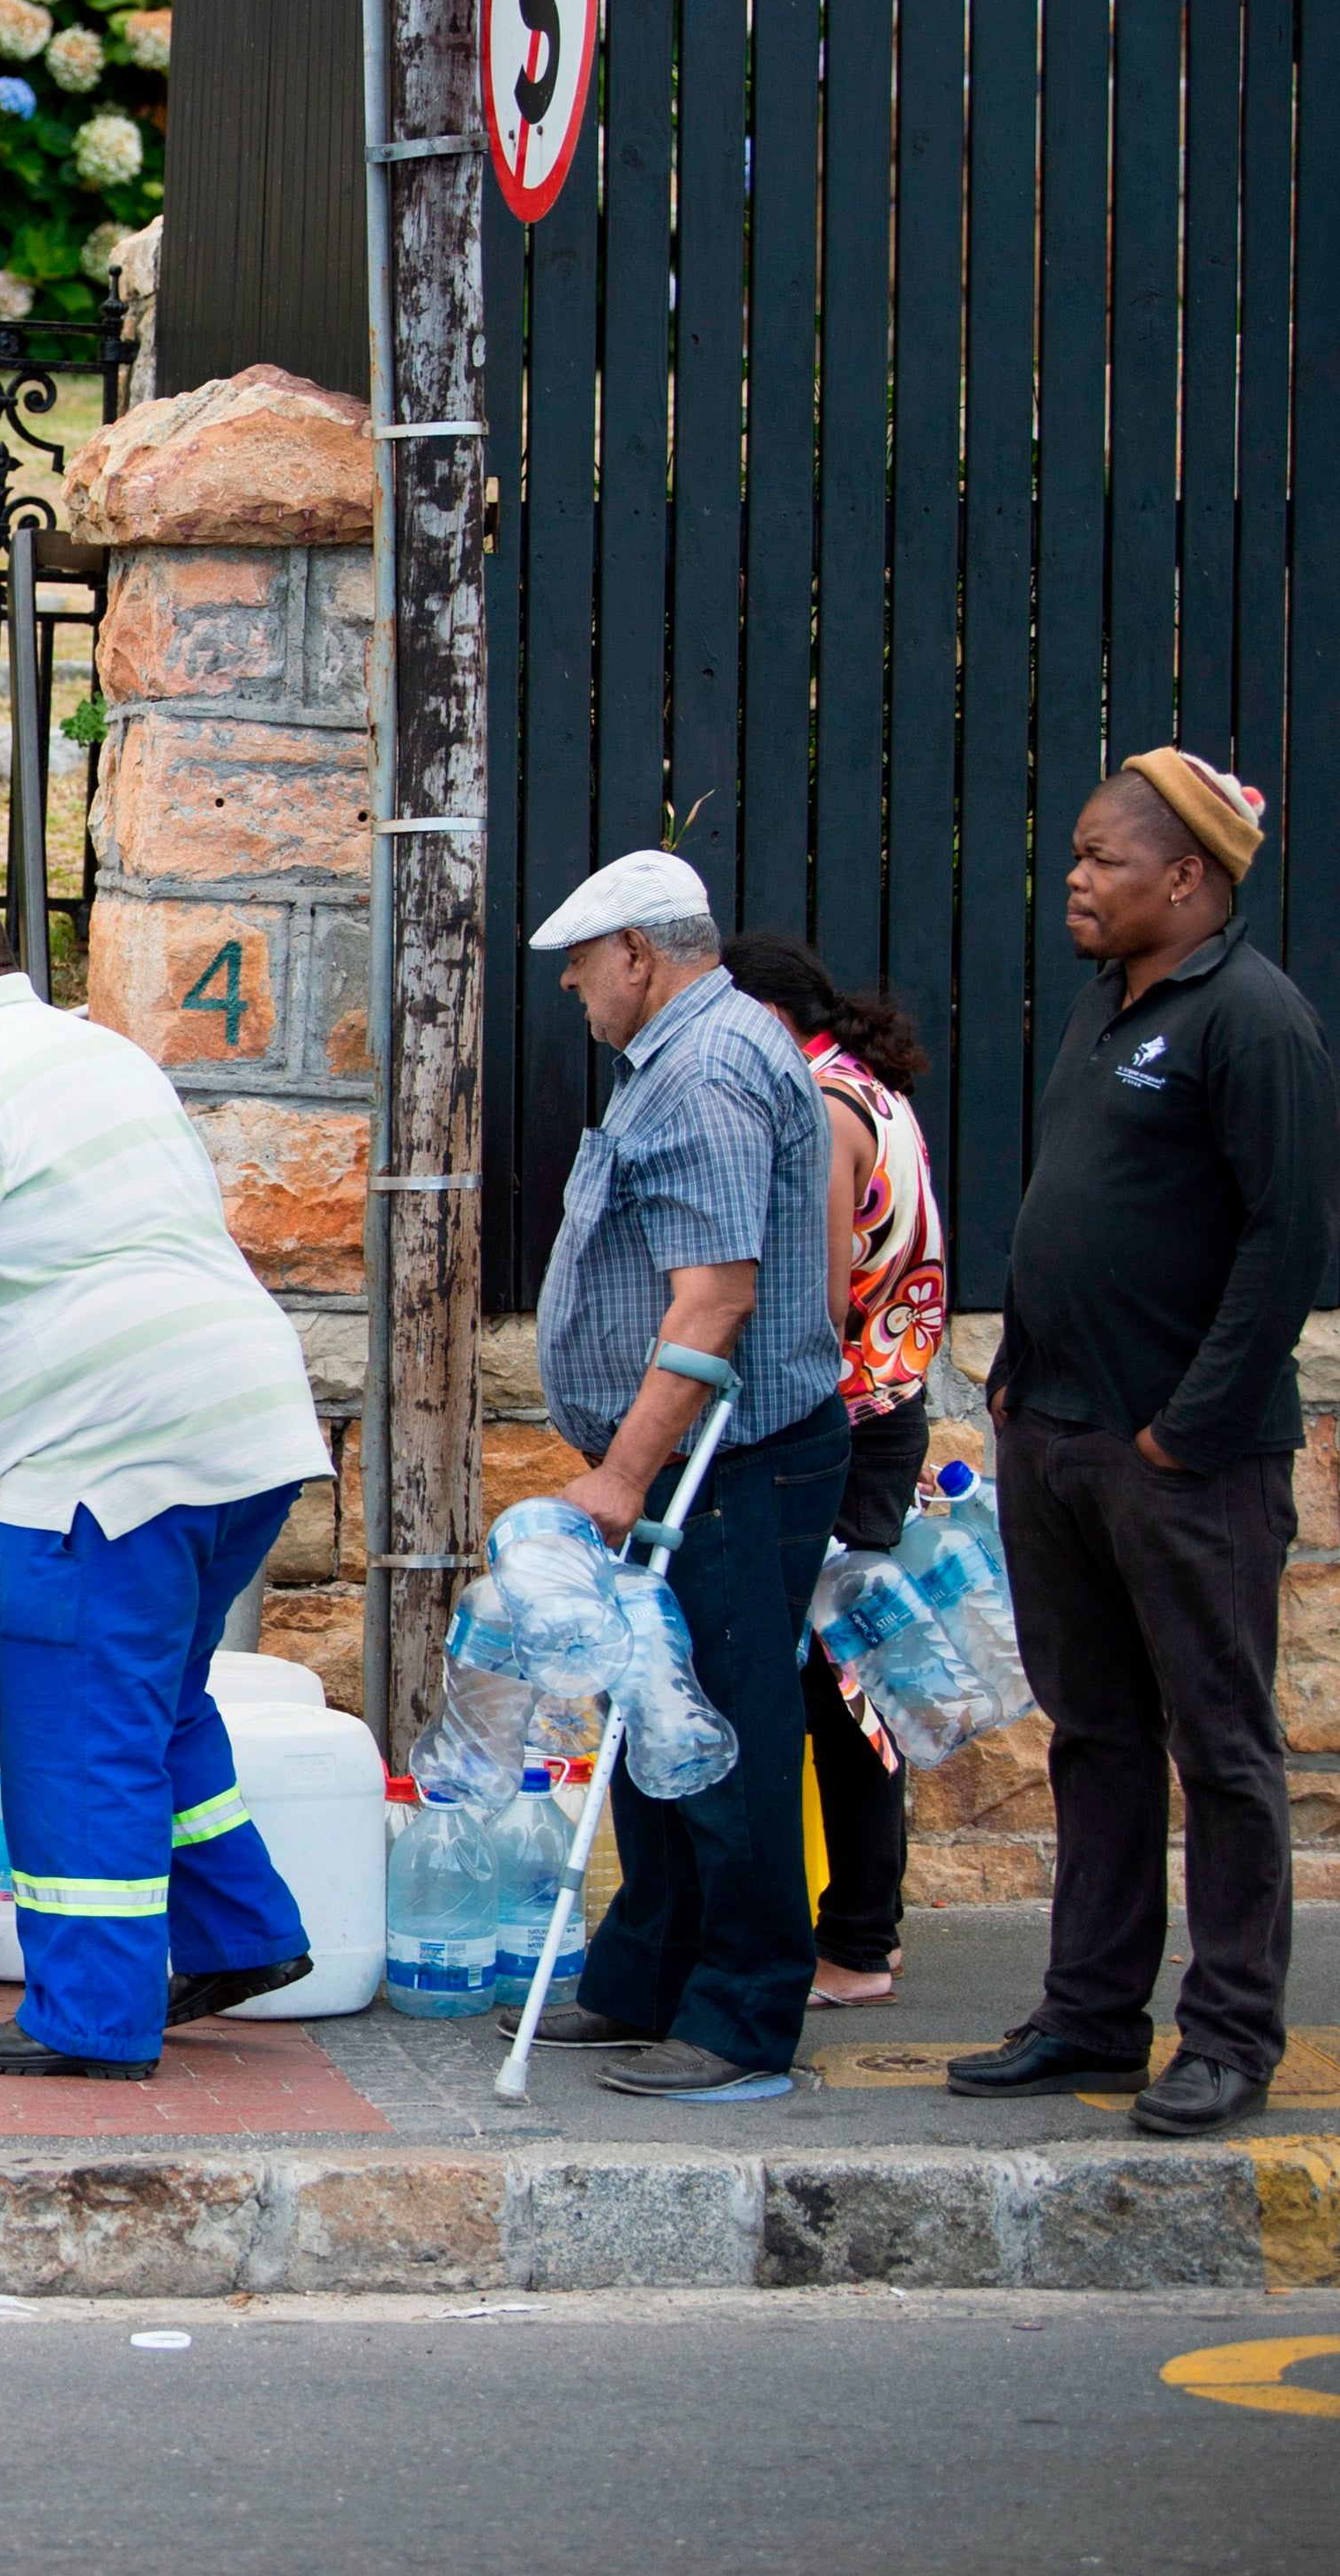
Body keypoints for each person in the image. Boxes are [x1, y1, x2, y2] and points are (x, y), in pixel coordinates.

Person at [0, 878, 331, 2078]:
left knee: (72, 1724)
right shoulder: (99, 1056)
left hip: (110, 1455)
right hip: (247, 1425)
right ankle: (240, 1934)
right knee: (157, 1702)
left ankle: (92, 2018)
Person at [949, 752, 1333, 2139]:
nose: (1076, 882)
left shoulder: (1252, 1022)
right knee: (1094, 1737)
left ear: (1188, 877)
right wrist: (1019, 1385)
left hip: (1183, 1463)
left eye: (1102, 861)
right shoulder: (1111, 1011)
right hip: (1055, 1437)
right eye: (1073, 860)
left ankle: (1228, 2036)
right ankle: (1089, 2013)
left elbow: (1285, 1244)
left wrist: (1188, 1431)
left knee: (1220, 1751)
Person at [520, 851, 850, 2101]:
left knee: (720, 1731)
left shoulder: (706, 1070)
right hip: (699, 1462)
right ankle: (641, 1977)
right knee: (653, 1719)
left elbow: (712, 1303)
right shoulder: (686, 1054)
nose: (570, 987)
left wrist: (620, 1473)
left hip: (728, 1462)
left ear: (637, 956)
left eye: (580, 965)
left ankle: (740, 2016)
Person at [723, 930, 949, 2009]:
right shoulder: (871, 1091)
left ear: (763, 1017)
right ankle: (865, 1932)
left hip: (840, 1421)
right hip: (889, 1408)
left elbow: (811, 1299)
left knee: (834, 1688)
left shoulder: (817, 1109)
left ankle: (856, 1944)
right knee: (845, 1674)